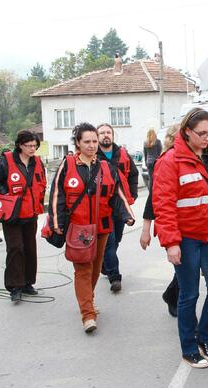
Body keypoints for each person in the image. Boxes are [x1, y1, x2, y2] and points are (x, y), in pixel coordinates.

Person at [152, 108, 208, 369]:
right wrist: (171, 242)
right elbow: (163, 205)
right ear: (187, 131)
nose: (207, 137)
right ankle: (189, 348)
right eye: (201, 133)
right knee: (189, 294)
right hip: (185, 237)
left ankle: (204, 337)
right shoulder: (170, 161)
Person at [49, 123, 135, 333]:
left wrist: (127, 215)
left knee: (96, 270)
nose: (91, 145)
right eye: (87, 141)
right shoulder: (67, 165)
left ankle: (88, 300)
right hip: (79, 229)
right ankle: (88, 314)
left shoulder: (106, 168)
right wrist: (57, 223)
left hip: (103, 228)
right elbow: (56, 195)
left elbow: (117, 195)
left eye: (94, 141)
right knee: (83, 270)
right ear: (77, 143)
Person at [0, 130, 47, 303]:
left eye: (35, 146)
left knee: (30, 248)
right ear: (20, 145)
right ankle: (15, 286)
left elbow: (42, 182)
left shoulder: (37, 162)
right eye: (29, 146)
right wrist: (6, 195)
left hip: (31, 213)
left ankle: (28, 283)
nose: (32, 149)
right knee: (15, 248)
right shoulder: (6, 160)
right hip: (12, 214)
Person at [140, 124, 179, 318]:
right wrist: (145, 230)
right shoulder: (163, 162)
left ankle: (171, 295)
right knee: (184, 269)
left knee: (189, 269)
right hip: (171, 224)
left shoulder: (195, 158)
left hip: (194, 223)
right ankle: (173, 297)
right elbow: (153, 198)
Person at [97, 123, 139, 293]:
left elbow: (134, 174)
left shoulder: (122, 153)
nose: (106, 135)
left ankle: (104, 265)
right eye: (102, 133)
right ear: (97, 136)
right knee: (110, 242)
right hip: (103, 207)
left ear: (113, 135)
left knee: (117, 239)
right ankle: (115, 277)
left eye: (108, 132)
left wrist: (133, 194)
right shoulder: (94, 155)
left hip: (121, 207)